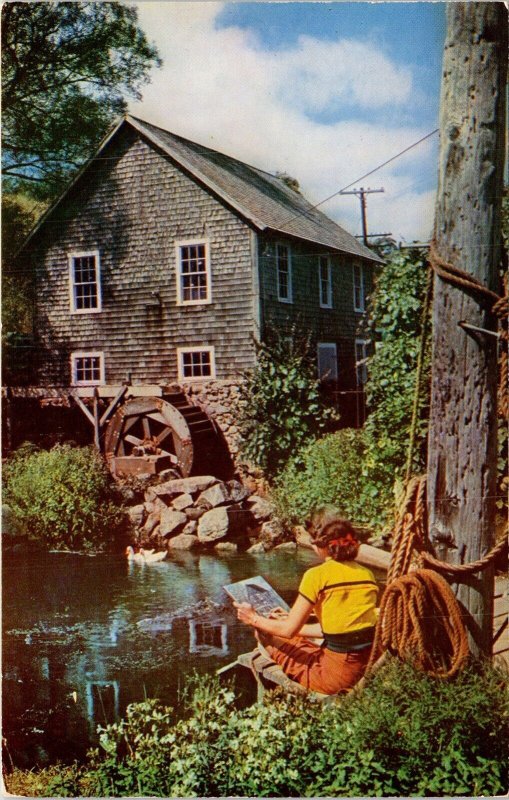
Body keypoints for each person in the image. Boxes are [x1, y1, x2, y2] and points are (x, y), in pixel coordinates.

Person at [234, 509, 378, 694]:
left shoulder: (317, 575)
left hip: (336, 678)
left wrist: (252, 618)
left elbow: (287, 631)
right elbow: (341, 628)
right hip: (364, 668)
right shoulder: (367, 574)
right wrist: (292, 620)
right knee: (294, 635)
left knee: (265, 633)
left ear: (322, 545)